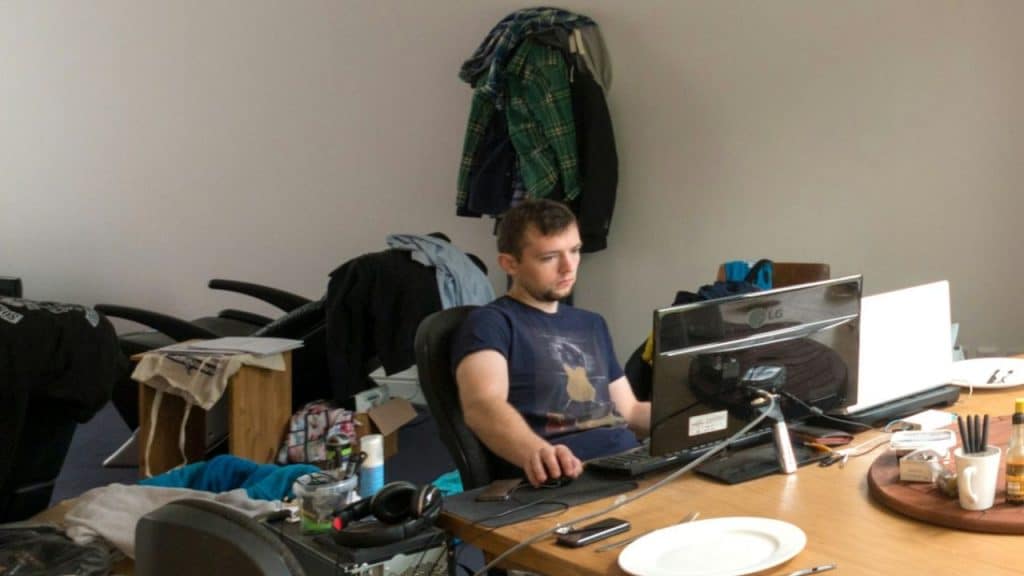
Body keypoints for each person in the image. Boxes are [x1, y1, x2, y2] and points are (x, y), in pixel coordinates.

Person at [451, 199, 650, 486]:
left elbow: (630, 411)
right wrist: (538, 452)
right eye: (549, 258)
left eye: (575, 251)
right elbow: (482, 405)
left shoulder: (591, 324)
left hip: (629, 466)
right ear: (510, 264)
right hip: (561, 478)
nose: (568, 267)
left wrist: (708, 417)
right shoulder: (490, 323)